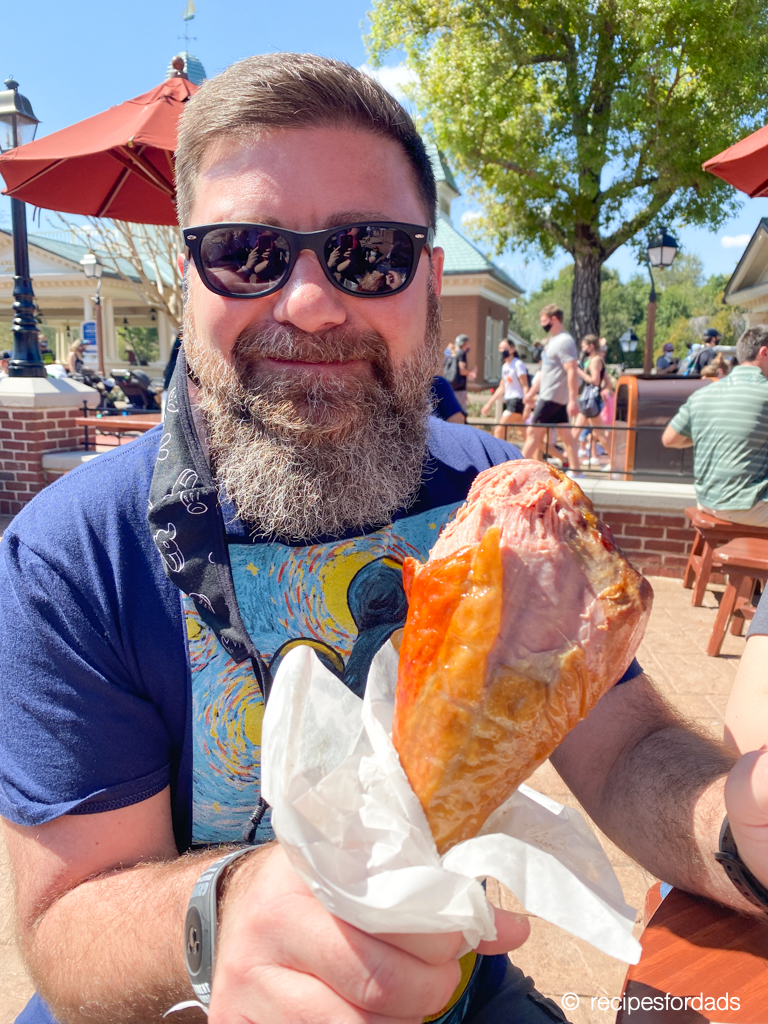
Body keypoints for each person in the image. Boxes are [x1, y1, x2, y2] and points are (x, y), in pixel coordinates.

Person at [1, 52, 766, 1024]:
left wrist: (736, 827)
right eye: (247, 250)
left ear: (430, 284)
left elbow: (625, 752)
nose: (313, 302)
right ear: (190, 275)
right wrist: (219, 917)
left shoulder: (499, 500)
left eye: (371, 254)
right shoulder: (74, 552)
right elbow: (67, 918)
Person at [661, 324, 768, 526]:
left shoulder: (703, 394)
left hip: (707, 502)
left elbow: (669, 439)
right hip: (748, 506)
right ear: (764, 352)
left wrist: (710, 436)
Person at [521, 304, 581, 474]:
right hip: (551, 397)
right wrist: (532, 392)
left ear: (554, 319)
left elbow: (572, 370)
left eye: (544, 321)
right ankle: (577, 470)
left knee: (532, 433)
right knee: (566, 436)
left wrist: (573, 399)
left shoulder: (565, 341)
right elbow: (544, 371)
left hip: (551, 397)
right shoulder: (552, 342)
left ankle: (517, 472)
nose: (542, 324)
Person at [480, 339, 529, 440]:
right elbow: (502, 388)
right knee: (527, 436)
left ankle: (499, 455)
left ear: (512, 349)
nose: (502, 351)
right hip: (510, 401)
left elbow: (525, 385)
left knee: (499, 431)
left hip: (517, 401)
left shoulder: (517, 364)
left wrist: (527, 405)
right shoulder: (504, 367)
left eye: (505, 348)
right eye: (500, 348)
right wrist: (489, 404)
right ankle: (539, 454)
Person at [573, 334, 609, 462]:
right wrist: (599, 392)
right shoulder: (597, 360)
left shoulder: (595, 361)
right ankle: (569, 459)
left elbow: (595, 380)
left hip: (590, 401)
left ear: (591, 346)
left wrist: (580, 372)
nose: (583, 349)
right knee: (576, 431)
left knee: (599, 433)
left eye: (584, 346)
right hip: (589, 400)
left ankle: (615, 462)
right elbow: (608, 382)